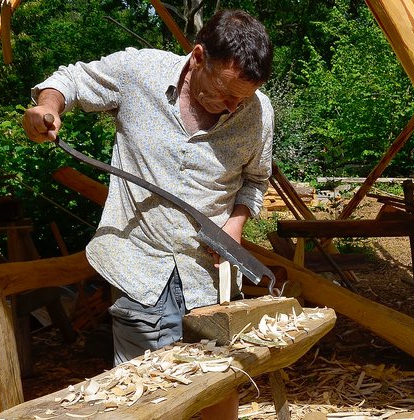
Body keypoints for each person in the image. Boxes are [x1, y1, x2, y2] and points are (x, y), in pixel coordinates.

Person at [22, 9, 273, 418]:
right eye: (226, 92)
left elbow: (256, 180)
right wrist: (46, 107)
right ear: (197, 58)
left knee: (217, 388)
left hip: (208, 281)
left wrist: (236, 223)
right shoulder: (139, 71)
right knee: (144, 400)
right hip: (140, 267)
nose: (232, 106)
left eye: (241, 98)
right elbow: (69, 80)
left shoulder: (258, 112)